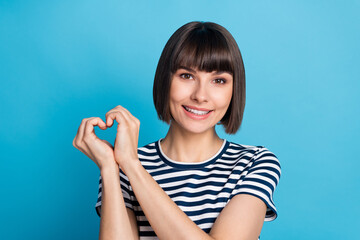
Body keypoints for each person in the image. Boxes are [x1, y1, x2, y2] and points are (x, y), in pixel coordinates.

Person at [73, 21, 281, 240]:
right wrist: (109, 167)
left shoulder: (255, 162)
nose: (201, 95)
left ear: (234, 90)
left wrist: (132, 166)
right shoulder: (122, 164)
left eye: (218, 80)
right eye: (186, 76)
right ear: (165, 80)